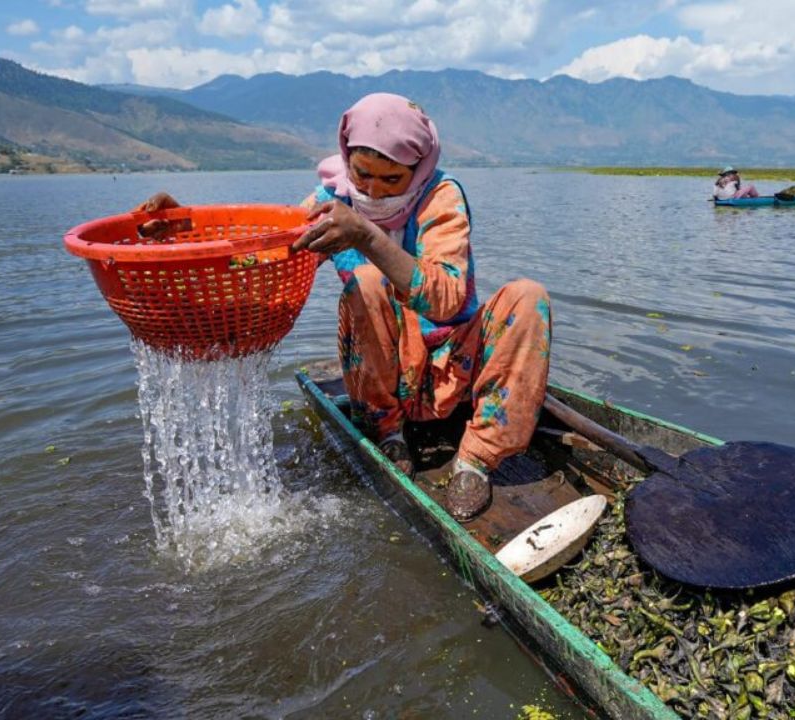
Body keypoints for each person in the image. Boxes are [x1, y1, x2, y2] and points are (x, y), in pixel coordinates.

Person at [134, 94, 552, 522]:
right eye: (362, 174)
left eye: (392, 179)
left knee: (528, 296)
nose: (373, 190)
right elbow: (262, 259)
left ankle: (476, 459)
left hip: (455, 365)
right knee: (367, 281)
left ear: (419, 168)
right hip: (387, 375)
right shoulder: (332, 200)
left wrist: (366, 237)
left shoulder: (440, 198)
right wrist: (181, 227)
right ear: (346, 159)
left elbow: (445, 300)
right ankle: (387, 433)